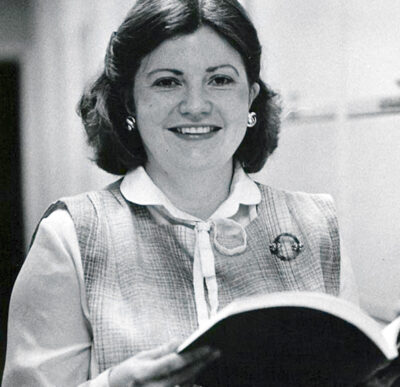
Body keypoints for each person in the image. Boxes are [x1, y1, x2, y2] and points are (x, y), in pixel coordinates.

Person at [2, 0, 358, 385]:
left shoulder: (316, 225)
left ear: (251, 97)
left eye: (220, 80)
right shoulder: (71, 235)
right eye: (167, 81)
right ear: (129, 102)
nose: (195, 105)